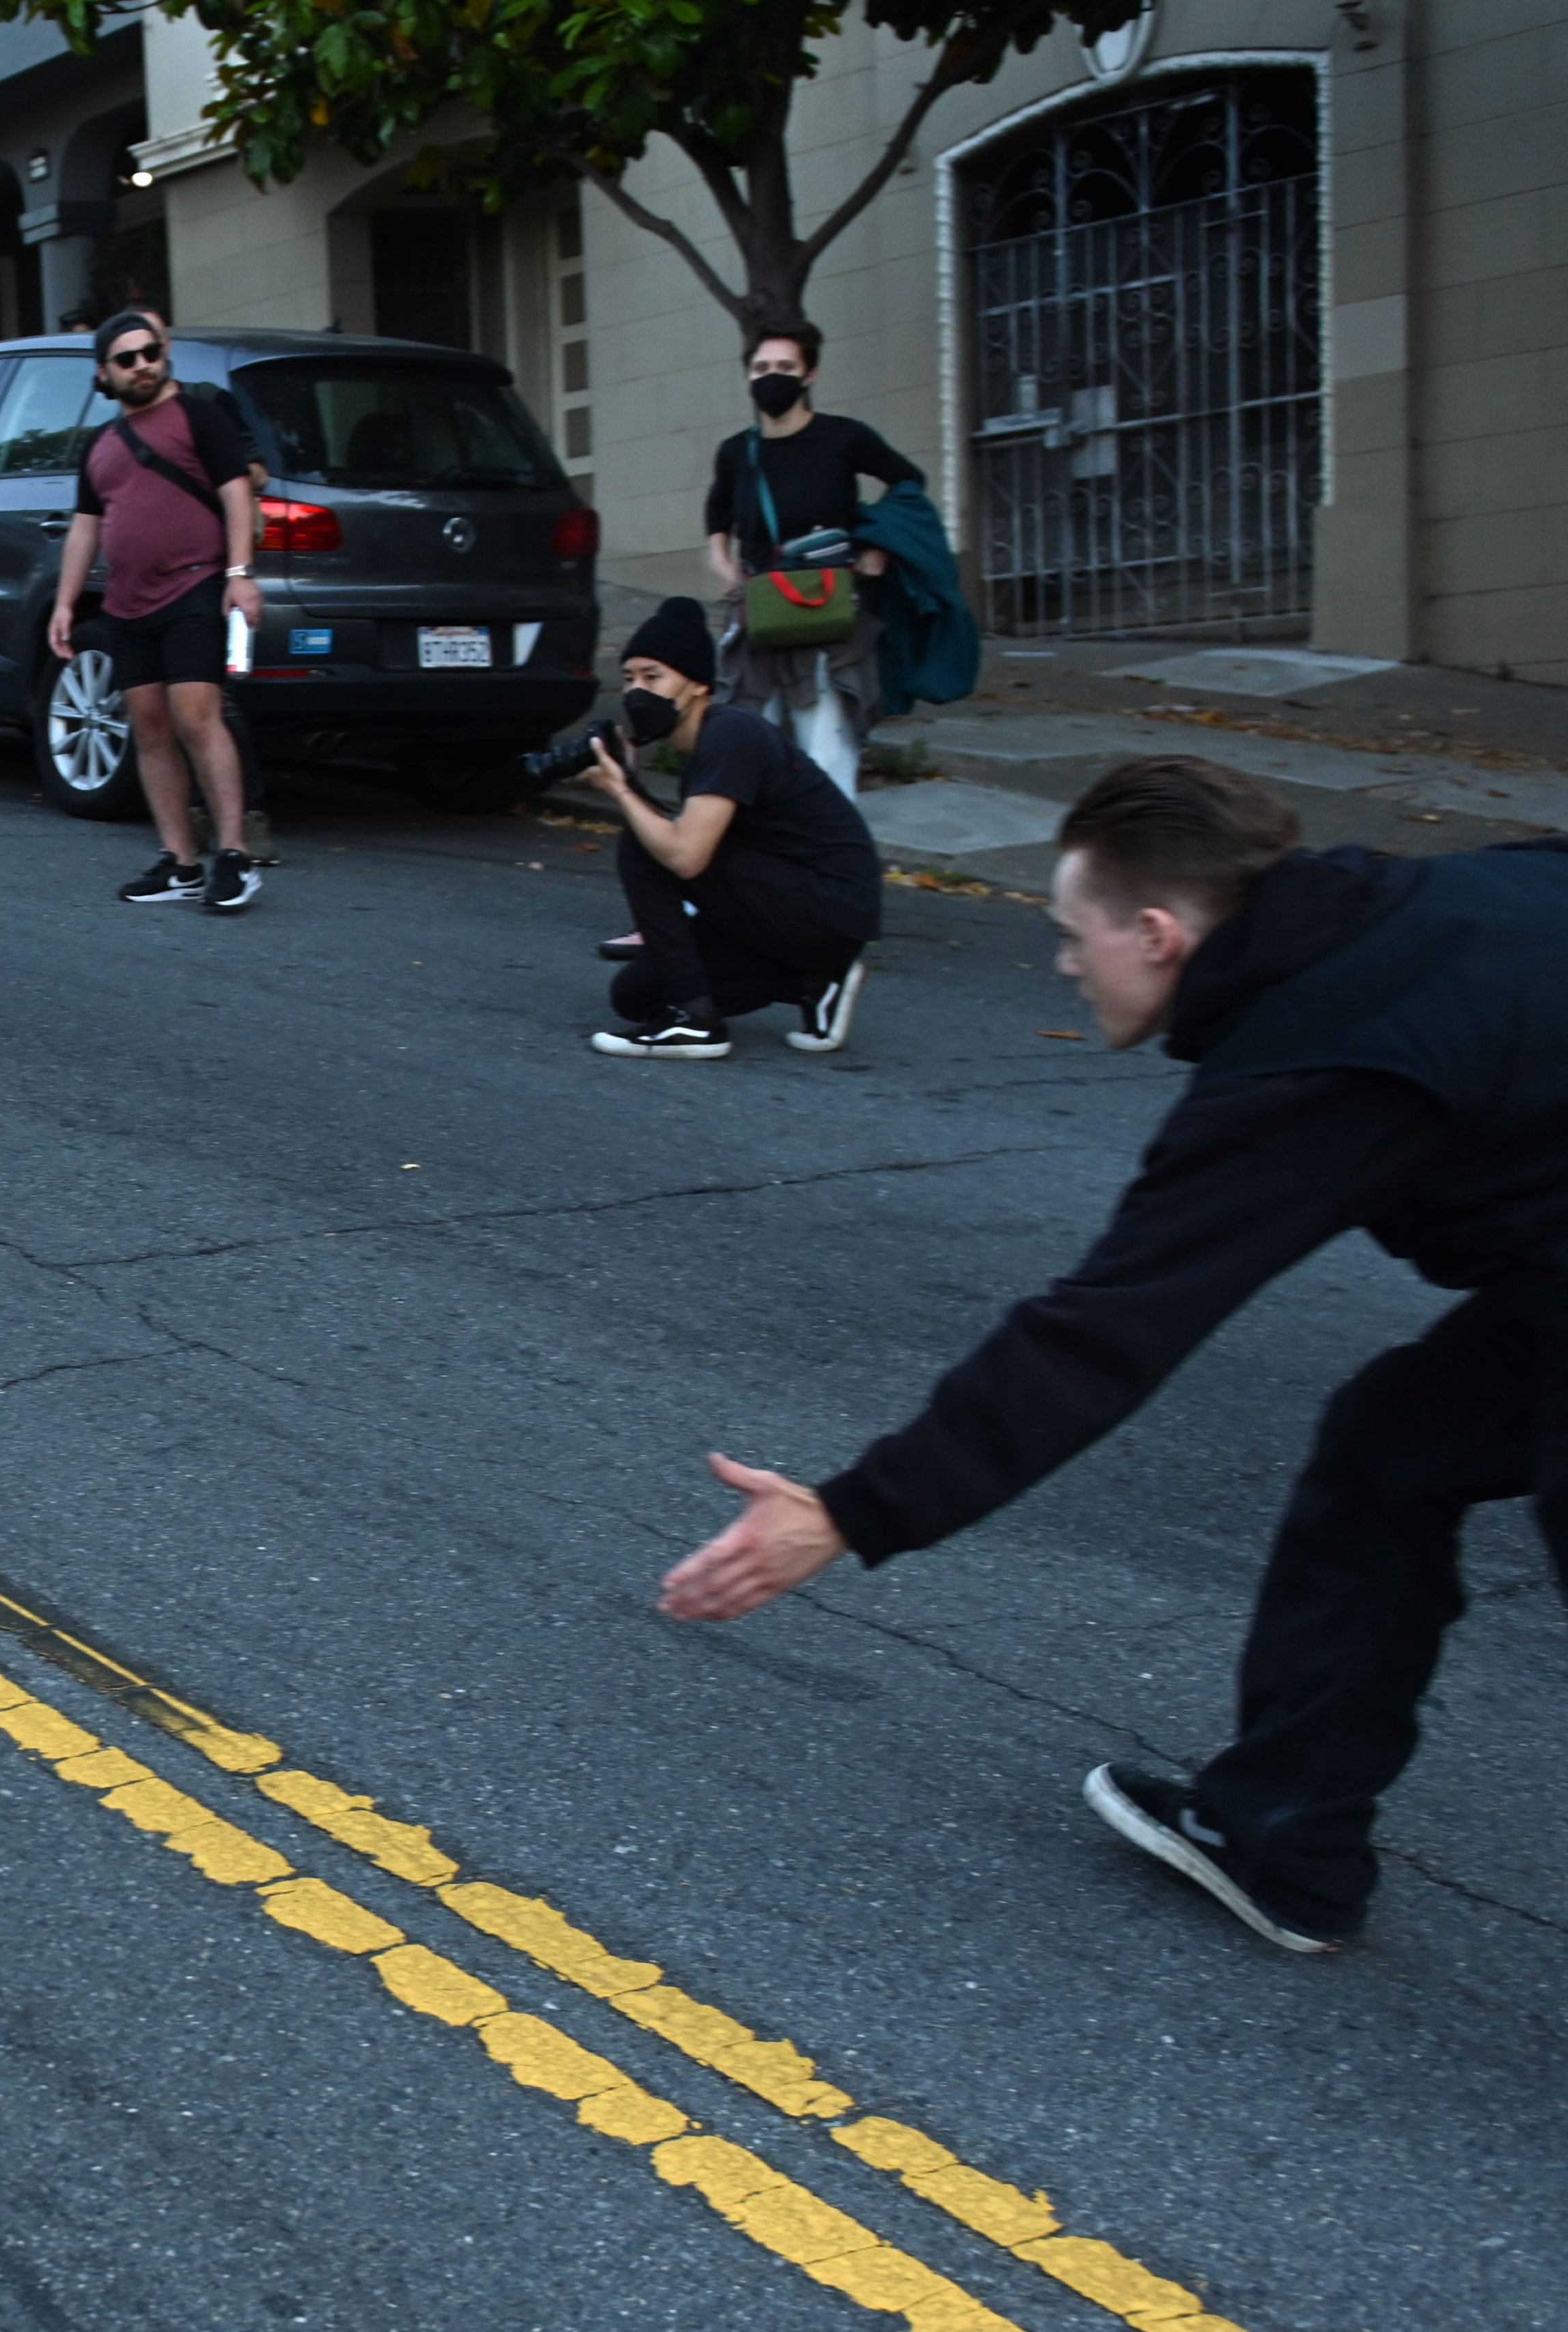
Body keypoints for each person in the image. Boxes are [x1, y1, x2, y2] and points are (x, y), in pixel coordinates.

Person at [656, 757, 1568, 1956]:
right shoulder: (1431, 897)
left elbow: (1104, 1333)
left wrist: (849, 1513)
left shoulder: (1314, 1062)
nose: (1063, 964)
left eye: (1073, 934)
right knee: (1389, 1450)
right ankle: (1282, 1838)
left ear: (1157, 931)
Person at [570, 596, 877, 1059]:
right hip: (789, 906)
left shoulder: (730, 734)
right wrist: (630, 782)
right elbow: (683, 839)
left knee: (643, 845)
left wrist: (620, 792)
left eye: (653, 677)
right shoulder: (707, 747)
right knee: (636, 996)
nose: (637, 693)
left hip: (829, 902)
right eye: (629, 679)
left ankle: (696, 1020)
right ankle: (813, 978)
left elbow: (685, 857)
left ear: (696, 685)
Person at [49, 309, 262, 915]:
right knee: (149, 731)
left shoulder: (200, 416)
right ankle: (181, 863)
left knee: (197, 718)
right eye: (127, 360)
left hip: (195, 588)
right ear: (104, 374)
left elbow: (236, 492)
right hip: (126, 604)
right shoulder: (101, 446)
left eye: (150, 354)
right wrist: (65, 603)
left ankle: (235, 857)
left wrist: (240, 575)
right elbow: (84, 530)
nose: (143, 366)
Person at [703, 320, 919, 800]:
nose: (771, 377)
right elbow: (718, 512)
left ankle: (833, 860)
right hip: (758, 612)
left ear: (810, 375)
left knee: (827, 753)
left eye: (785, 366)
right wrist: (722, 564)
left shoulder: (844, 439)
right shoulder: (738, 452)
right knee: (747, 743)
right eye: (760, 368)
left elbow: (908, 481)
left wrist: (879, 548)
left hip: (826, 613)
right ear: (747, 376)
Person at [130, 301, 279, 867]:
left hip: (211, 568)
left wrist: (212, 471)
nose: (145, 358)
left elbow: (253, 471)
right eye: (132, 349)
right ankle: (188, 826)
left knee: (211, 700)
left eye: (154, 345)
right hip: (143, 580)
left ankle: (247, 823)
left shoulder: (206, 406)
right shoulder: (120, 419)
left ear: (167, 348)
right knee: (158, 705)